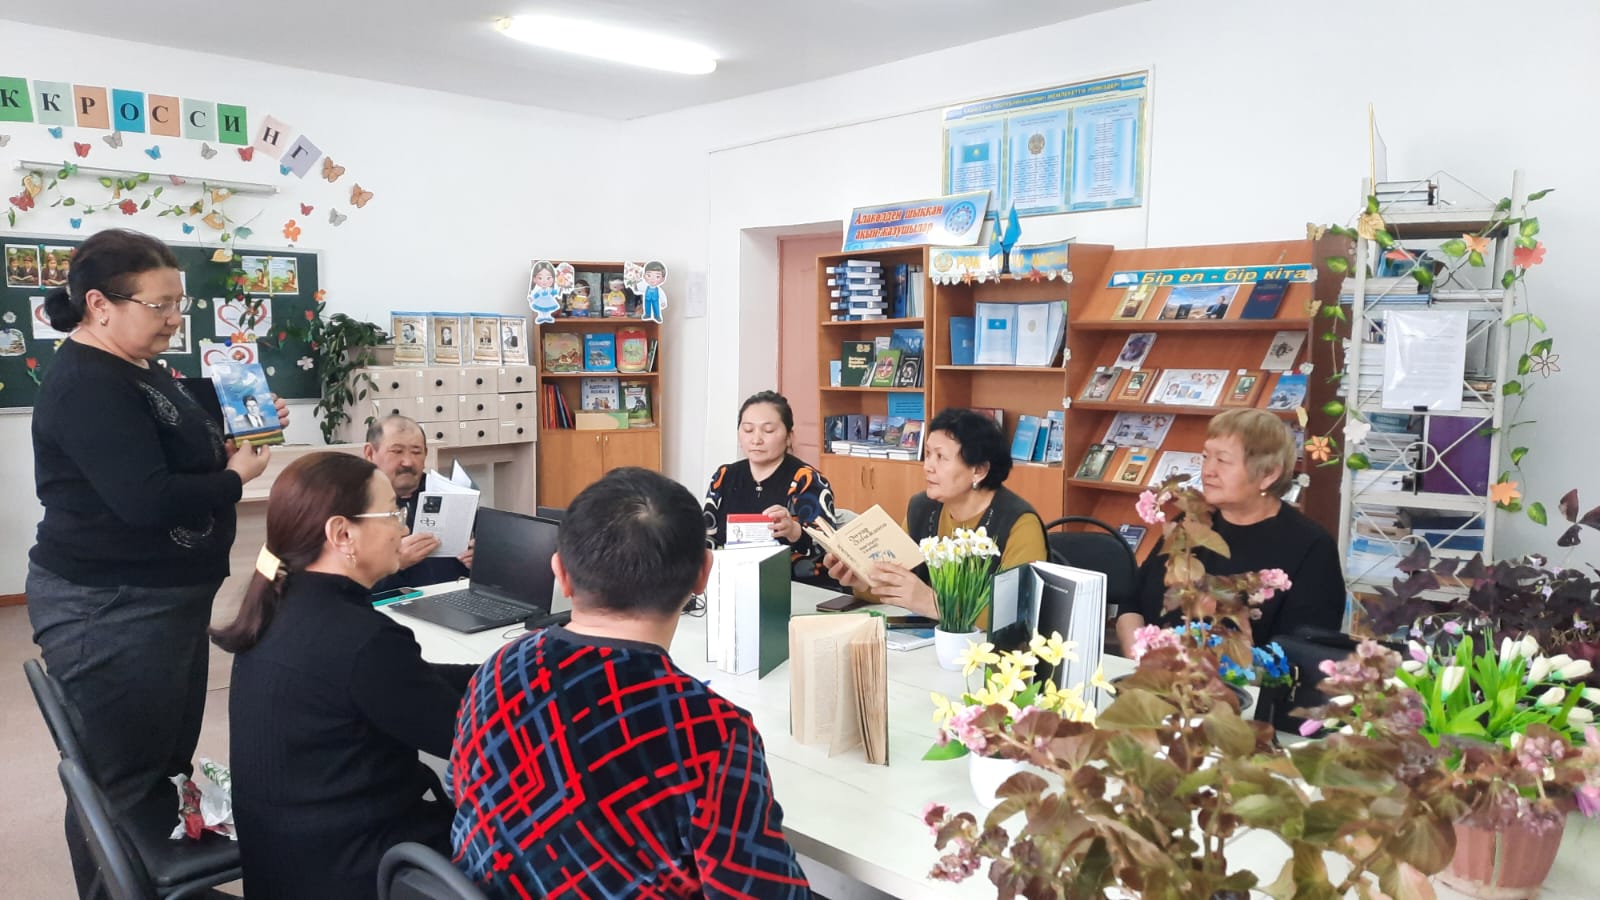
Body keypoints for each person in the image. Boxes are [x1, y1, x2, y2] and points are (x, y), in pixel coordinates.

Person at [26, 227, 284, 897]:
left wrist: (237, 435)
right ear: (99, 305)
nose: (174, 319)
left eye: (179, 303)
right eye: (159, 305)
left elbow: (170, 450)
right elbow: (144, 499)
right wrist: (236, 478)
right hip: (112, 606)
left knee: (166, 761)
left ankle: (169, 881)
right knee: (120, 778)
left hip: (163, 599)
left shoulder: (137, 366)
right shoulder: (87, 384)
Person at [451, 467, 810, 898]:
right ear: (704, 573)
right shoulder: (710, 729)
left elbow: (459, 788)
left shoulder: (497, 671)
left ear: (560, 573)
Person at [215, 452, 475, 900]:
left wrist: (498, 671)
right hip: (362, 871)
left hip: (289, 867)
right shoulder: (362, 640)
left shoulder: (279, 606)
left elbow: (409, 682)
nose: (402, 530)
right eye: (393, 514)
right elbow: (471, 740)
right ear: (342, 533)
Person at [1114, 408, 1345, 651]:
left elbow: (1304, 652)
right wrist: (1139, 654)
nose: (1208, 470)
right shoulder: (1191, 522)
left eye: (1222, 460)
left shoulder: (1311, 547)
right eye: (1205, 457)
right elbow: (1132, 606)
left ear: (1268, 474)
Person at [824, 408, 1048, 619]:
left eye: (941, 457)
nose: (928, 466)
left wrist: (933, 603)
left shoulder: (1019, 524)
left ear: (979, 470)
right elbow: (901, 587)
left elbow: (1015, 615)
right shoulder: (921, 508)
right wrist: (863, 580)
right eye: (928, 454)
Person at [702, 391, 838, 576]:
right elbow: (707, 539)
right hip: (734, 579)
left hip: (797, 584)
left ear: (789, 436)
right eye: (748, 430)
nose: (756, 440)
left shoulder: (806, 480)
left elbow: (830, 549)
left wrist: (794, 531)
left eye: (768, 431)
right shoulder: (724, 476)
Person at [363, 415, 473, 593]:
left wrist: (480, 561)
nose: (408, 462)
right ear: (370, 453)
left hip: (454, 599)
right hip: (386, 605)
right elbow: (342, 587)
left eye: (416, 452)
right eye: (397, 451)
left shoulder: (451, 494)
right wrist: (394, 564)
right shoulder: (352, 505)